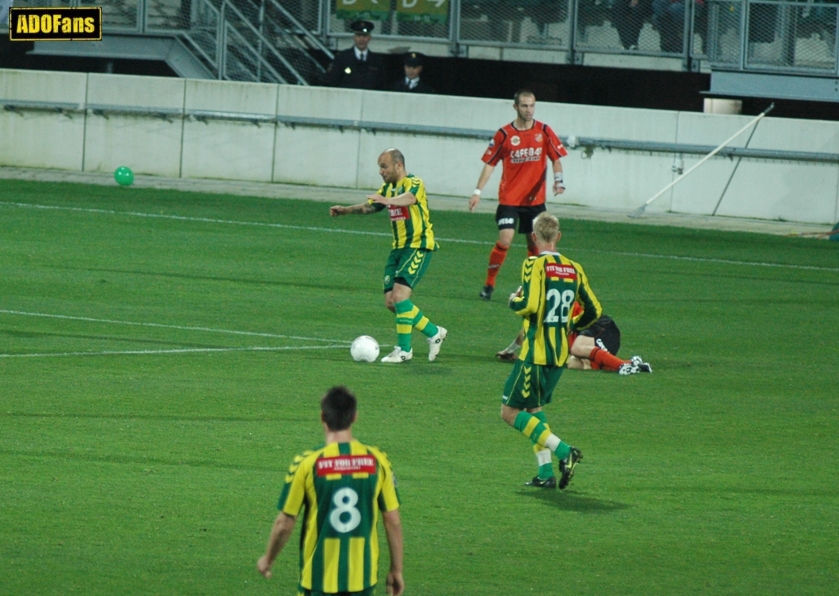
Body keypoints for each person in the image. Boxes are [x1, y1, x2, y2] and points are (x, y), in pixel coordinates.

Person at [257, 386, 404, 596]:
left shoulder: (307, 463)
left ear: (322, 416)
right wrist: (396, 570)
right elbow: (393, 519)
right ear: (355, 416)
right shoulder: (378, 460)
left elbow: (285, 523)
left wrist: (268, 559)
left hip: (317, 582)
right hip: (362, 580)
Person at [501, 212, 601, 490]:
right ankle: (545, 473)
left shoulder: (534, 264)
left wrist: (513, 301)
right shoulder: (574, 268)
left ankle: (565, 451)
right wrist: (570, 324)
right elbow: (595, 309)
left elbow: (529, 305)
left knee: (509, 413)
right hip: (559, 354)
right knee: (533, 408)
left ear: (534, 237)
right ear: (558, 236)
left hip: (535, 353)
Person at [330, 148, 447, 363]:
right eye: (379, 167)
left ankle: (404, 350)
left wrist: (388, 201)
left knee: (400, 297)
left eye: (384, 166)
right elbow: (370, 207)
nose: (381, 171)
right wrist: (345, 210)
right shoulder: (388, 188)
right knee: (391, 302)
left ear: (398, 165)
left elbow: (410, 199)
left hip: (418, 246)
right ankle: (433, 332)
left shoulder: (413, 183)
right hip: (398, 249)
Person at [468, 90, 568, 301]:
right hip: (510, 200)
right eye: (524, 106)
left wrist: (559, 181)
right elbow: (490, 164)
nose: (529, 110)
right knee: (505, 239)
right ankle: (489, 284)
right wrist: (477, 192)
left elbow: (556, 159)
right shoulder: (504, 134)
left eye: (532, 105)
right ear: (515, 107)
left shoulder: (544, 131)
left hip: (535, 202)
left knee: (536, 245)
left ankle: (530, 286)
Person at [496, 304, 653, 375]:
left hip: (600, 327)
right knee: (572, 363)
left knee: (576, 349)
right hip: (589, 340)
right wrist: (509, 351)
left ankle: (622, 365)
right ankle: (632, 364)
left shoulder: (555, 305)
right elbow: (527, 332)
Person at [322, 20, 386, 90]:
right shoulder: (342, 58)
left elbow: (381, 84)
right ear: (354, 37)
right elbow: (332, 80)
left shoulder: (376, 60)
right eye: (358, 35)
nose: (361, 39)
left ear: (369, 38)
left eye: (365, 36)